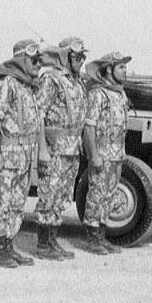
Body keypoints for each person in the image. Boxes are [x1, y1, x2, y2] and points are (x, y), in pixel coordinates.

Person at [0, 39, 48, 268]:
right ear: (21, 59)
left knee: (17, 203)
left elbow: (37, 121)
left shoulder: (29, 87)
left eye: (40, 59)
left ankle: (9, 245)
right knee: (2, 201)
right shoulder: (7, 85)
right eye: (34, 59)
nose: (39, 63)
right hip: (8, 154)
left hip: (24, 156)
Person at [34, 37, 88, 260]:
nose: (81, 60)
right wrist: (42, 149)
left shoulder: (76, 82)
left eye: (83, 57)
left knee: (62, 196)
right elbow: (39, 113)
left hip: (71, 149)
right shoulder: (51, 80)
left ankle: (53, 241)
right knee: (48, 195)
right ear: (65, 56)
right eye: (77, 57)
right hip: (55, 149)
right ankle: (43, 244)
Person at [81, 51, 131, 256]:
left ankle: (101, 235)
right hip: (101, 152)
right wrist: (93, 154)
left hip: (116, 153)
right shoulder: (97, 94)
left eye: (125, 67)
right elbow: (89, 127)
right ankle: (92, 238)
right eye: (121, 67)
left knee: (109, 195)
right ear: (109, 70)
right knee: (96, 194)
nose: (125, 71)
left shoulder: (119, 94)